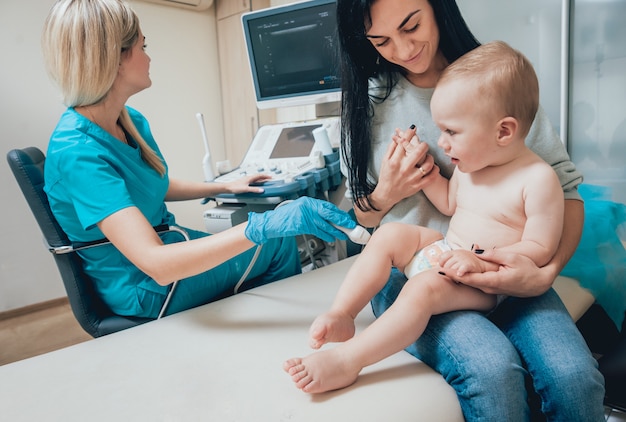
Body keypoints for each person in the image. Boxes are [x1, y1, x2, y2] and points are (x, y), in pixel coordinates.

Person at [327, 0, 606, 420]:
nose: (402, 50)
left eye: (411, 25)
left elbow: (566, 194)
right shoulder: (369, 103)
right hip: (416, 269)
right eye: (381, 40)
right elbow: (361, 220)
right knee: (493, 371)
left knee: (574, 377)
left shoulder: (496, 85)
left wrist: (540, 274)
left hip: (505, 270)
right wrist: (388, 191)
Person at [40, 0, 356, 319]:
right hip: (144, 285)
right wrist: (263, 225)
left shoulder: (126, 120)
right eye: (142, 46)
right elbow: (158, 265)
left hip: (166, 248)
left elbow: (150, 186)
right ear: (116, 59)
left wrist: (224, 187)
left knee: (263, 242)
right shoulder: (78, 151)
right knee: (278, 243)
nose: (149, 57)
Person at [284, 40, 565, 394]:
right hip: (447, 249)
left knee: (423, 288)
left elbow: (539, 248)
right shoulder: (473, 162)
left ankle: (349, 360)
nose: (442, 143)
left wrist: (479, 263)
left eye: (452, 132)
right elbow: (450, 204)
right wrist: (430, 176)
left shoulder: (537, 180)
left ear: (503, 131)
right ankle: (342, 313)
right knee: (389, 236)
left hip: (486, 283)